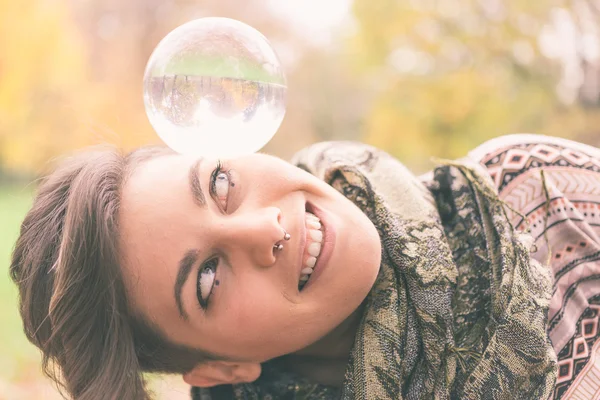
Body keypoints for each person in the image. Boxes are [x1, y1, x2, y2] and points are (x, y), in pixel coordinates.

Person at [9, 134, 600, 400]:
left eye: (219, 183)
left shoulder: (535, 194)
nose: (265, 230)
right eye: (208, 279)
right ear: (220, 368)